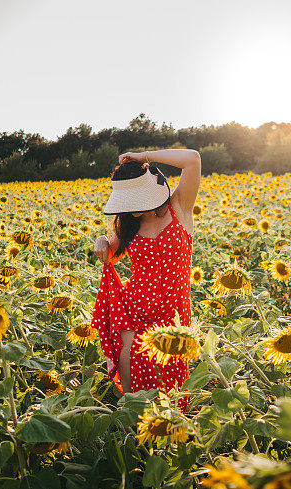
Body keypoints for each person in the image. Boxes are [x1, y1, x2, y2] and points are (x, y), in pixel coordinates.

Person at [92, 148, 200, 412]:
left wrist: (145, 156)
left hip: (174, 311)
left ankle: (172, 430)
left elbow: (193, 159)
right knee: (129, 357)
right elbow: (112, 256)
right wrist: (102, 240)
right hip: (135, 306)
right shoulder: (129, 224)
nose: (131, 209)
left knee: (172, 375)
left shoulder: (179, 207)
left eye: (135, 201)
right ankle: (132, 420)